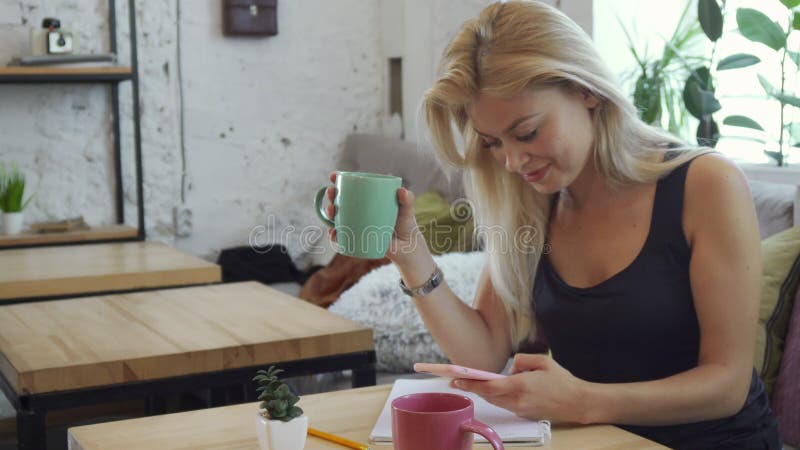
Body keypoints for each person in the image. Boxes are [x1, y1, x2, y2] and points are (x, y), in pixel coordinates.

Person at [323, 1, 780, 448]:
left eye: (527, 133)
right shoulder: (531, 203)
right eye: (492, 143)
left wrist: (584, 401)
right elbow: (483, 353)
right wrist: (410, 254)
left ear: (587, 91)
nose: (513, 161)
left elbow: (727, 385)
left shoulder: (706, 185)